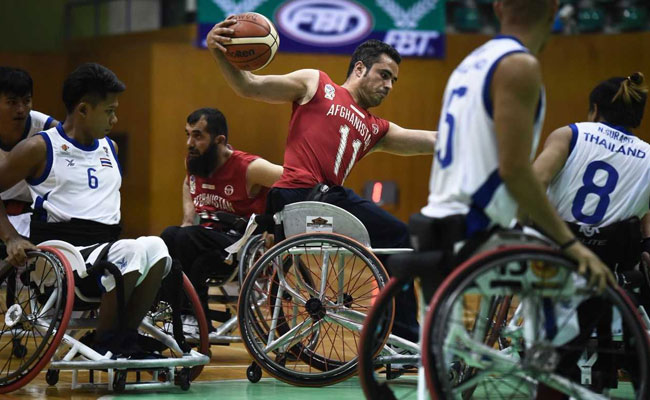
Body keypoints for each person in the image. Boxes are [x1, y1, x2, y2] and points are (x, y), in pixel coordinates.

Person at [205, 31, 435, 340]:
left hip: (323, 203)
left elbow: (433, 141)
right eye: (384, 75)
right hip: (303, 195)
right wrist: (218, 51)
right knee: (399, 235)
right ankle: (407, 337)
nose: (389, 85)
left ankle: (393, 331)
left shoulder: (375, 128)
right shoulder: (316, 83)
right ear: (359, 69)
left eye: (394, 80)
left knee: (396, 239)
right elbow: (250, 85)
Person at [420, 0, 613, 289]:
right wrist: (571, 243)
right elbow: (515, 171)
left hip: (436, 218)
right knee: (580, 281)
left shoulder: (469, 63)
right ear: (553, 10)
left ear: (498, 8)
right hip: (476, 229)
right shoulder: (519, 65)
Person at [0, 63, 170, 357]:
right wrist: (11, 236)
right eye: (109, 111)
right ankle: (106, 342)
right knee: (129, 252)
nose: (115, 119)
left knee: (157, 246)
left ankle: (125, 337)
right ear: (82, 110)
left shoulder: (111, 148)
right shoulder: (39, 148)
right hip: (61, 258)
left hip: (102, 252)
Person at [532, 73, 649, 392]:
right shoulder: (648, 157)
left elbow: (534, 183)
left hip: (553, 255)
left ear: (595, 109)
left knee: (553, 359)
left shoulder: (570, 134)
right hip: (605, 270)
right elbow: (644, 223)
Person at [161, 107, 282, 319]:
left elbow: (292, 183)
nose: (189, 143)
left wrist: (274, 226)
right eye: (188, 134)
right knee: (169, 236)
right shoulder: (195, 161)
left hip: (242, 242)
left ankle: (192, 316)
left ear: (219, 140)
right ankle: (175, 310)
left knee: (185, 237)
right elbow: (187, 182)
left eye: (197, 136)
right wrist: (188, 219)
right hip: (208, 239)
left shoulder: (250, 168)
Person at [0, 66, 58, 259]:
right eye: (12, 102)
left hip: (34, 215)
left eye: (27, 101)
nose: (21, 109)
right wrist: (10, 236)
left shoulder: (49, 129)